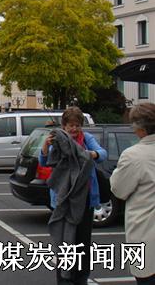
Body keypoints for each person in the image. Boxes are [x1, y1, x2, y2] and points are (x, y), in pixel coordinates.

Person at [39, 106, 107, 285]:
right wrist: (45, 146)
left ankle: (81, 278)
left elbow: (102, 154)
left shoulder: (87, 139)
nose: (74, 129)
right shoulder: (58, 140)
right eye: (70, 125)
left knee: (82, 242)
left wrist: (88, 154)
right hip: (63, 200)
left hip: (85, 199)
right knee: (64, 242)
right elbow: (44, 162)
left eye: (77, 125)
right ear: (64, 125)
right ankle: (64, 279)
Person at [110, 103, 155, 284]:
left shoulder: (133, 155)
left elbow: (119, 189)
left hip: (145, 234)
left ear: (140, 129)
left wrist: (115, 173)